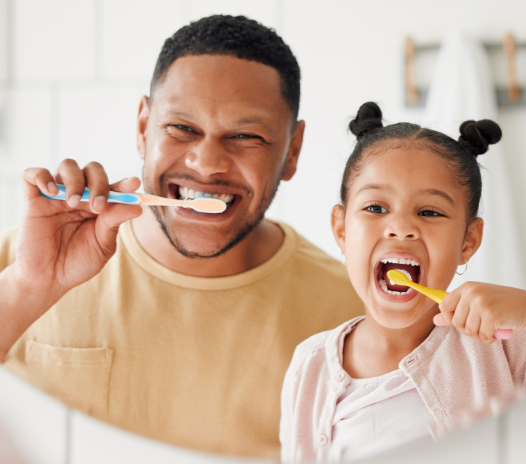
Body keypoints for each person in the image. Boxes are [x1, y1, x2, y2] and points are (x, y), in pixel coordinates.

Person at [0, 16, 364, 458]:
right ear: (142, 127)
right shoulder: (20, 263)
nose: (207, 163)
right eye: (182, 128)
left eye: (245, 135)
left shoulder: (352, 317)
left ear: (292, 151)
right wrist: (27, 289)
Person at [280, 102, 526, 462]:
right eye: (375, 208)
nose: (401, 227)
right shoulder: (309, 365)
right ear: (342, 229)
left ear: (468, 241)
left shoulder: (510, 349)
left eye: (430, 212)